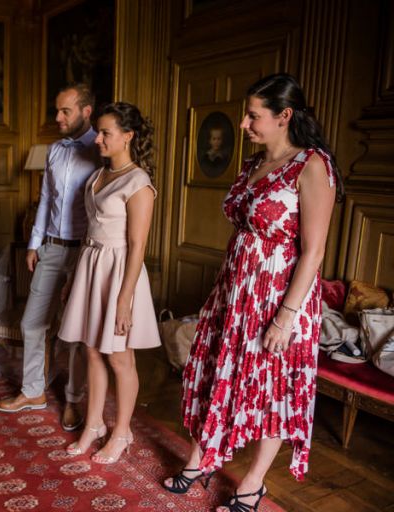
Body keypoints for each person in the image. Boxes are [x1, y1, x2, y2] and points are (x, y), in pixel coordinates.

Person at [163, 73, 342, 511]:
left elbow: (314, 251)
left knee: (273, 390)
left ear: (284, 116)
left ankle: (252, 485)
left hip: (279, 298)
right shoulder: (251, 165)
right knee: (212, 372)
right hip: (236, 291)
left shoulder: (312, 165)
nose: (244, 124)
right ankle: (198, 461)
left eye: (253, 115)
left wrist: (286, 316)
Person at [58, 101, 160, 464]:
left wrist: (124, 299)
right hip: (90, 265)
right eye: (98, 131)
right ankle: (94, 424)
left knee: (119, 357)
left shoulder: (139, 183)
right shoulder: (96, 176)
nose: (97, 139)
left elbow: (137, 246)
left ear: (128, 136)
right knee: (90, 349)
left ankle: (122, 432)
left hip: (120, 272)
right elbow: (89, 233)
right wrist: (73, 278)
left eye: (105, 133)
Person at [0, 84, 98, 432]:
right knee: (31, 323)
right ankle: (33, 391)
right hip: (51, 248)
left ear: (86, 111)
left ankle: (73, 400)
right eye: (57, 110)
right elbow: (45, 199)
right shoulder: (54, 150)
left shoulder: (102, 150)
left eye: (65, 111)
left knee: (74, 333)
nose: (57, 118)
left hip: (84, 251)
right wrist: (34, 244)